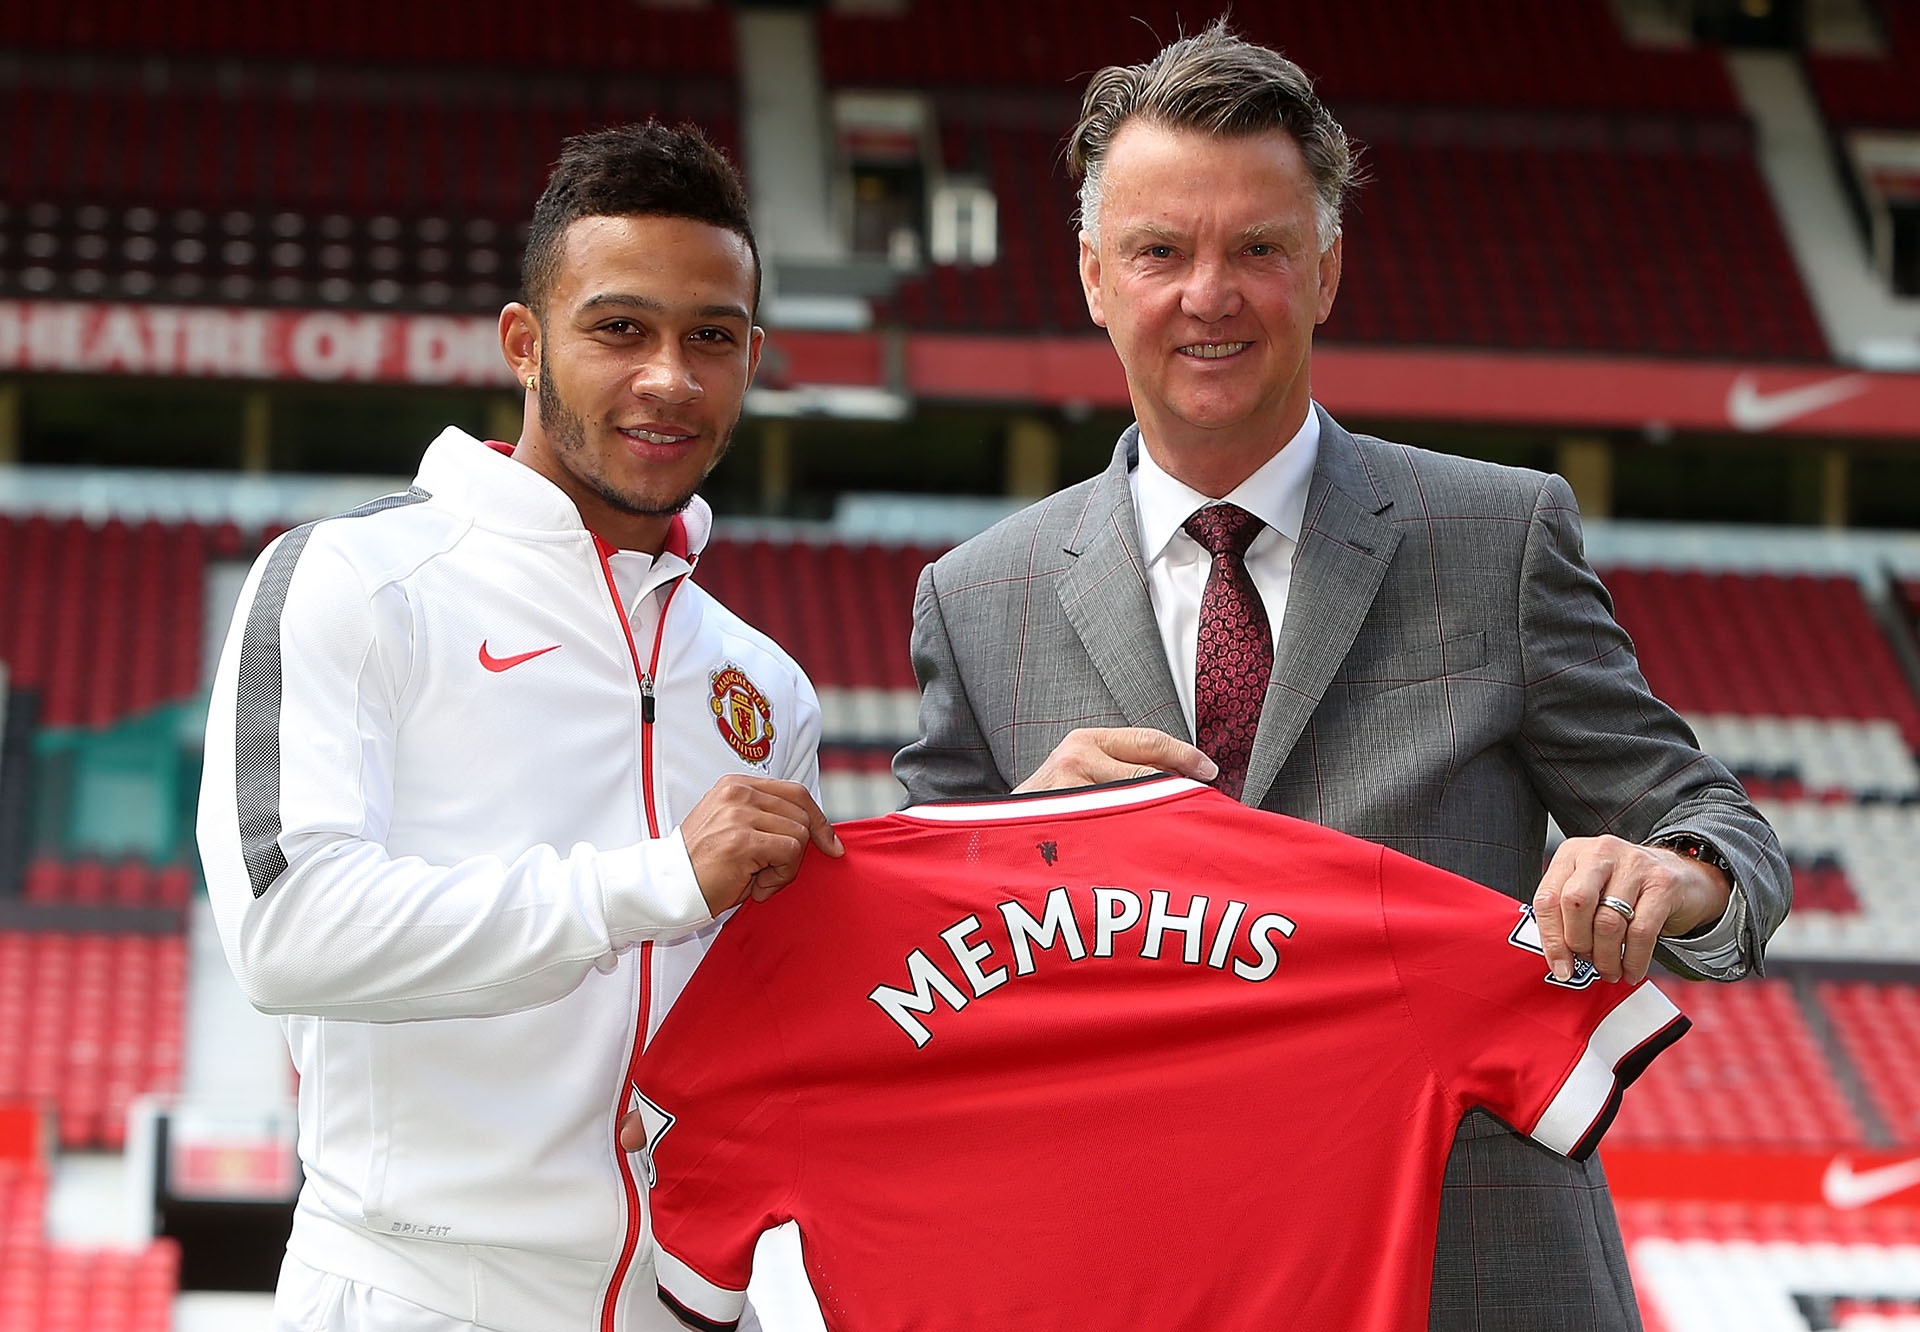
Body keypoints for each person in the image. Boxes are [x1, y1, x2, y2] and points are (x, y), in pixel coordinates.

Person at [892, 22, 1790, 1331]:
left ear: (1326, 270)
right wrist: (1017, 847)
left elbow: (1718, 828)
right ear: (1093, 276)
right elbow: (911, 962)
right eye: (1160, 251)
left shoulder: (1498, 537)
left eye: (1258, 249)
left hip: (1472, 1276)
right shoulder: (979, 599)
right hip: (1137, 1281)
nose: (1209, 295)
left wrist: (1678, 876)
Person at [197, 122, 839, 1332]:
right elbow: (289, 930)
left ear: (753, 357)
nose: (670, 378)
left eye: (712, 337)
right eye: (620, 328)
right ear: (524, 343)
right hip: (418, 1296)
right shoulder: (356, 580)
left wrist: (1023, 832)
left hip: (689, 1307)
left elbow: (786, 1009)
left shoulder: (765, 683)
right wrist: (652, 883)